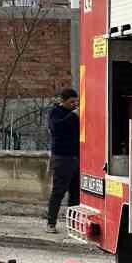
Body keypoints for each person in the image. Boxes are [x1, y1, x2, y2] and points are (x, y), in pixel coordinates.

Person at [46, 87, 81, 233]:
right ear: (63, 101)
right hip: (62, 158)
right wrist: (73, 116)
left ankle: (73, 224)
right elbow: (57, 129)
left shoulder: (75, 114)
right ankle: (51, 223)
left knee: (75, 193)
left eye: (76, 102)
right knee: (58, 191)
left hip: (76, 157)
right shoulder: (55, 113)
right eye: (72, 102)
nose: (75, 104)